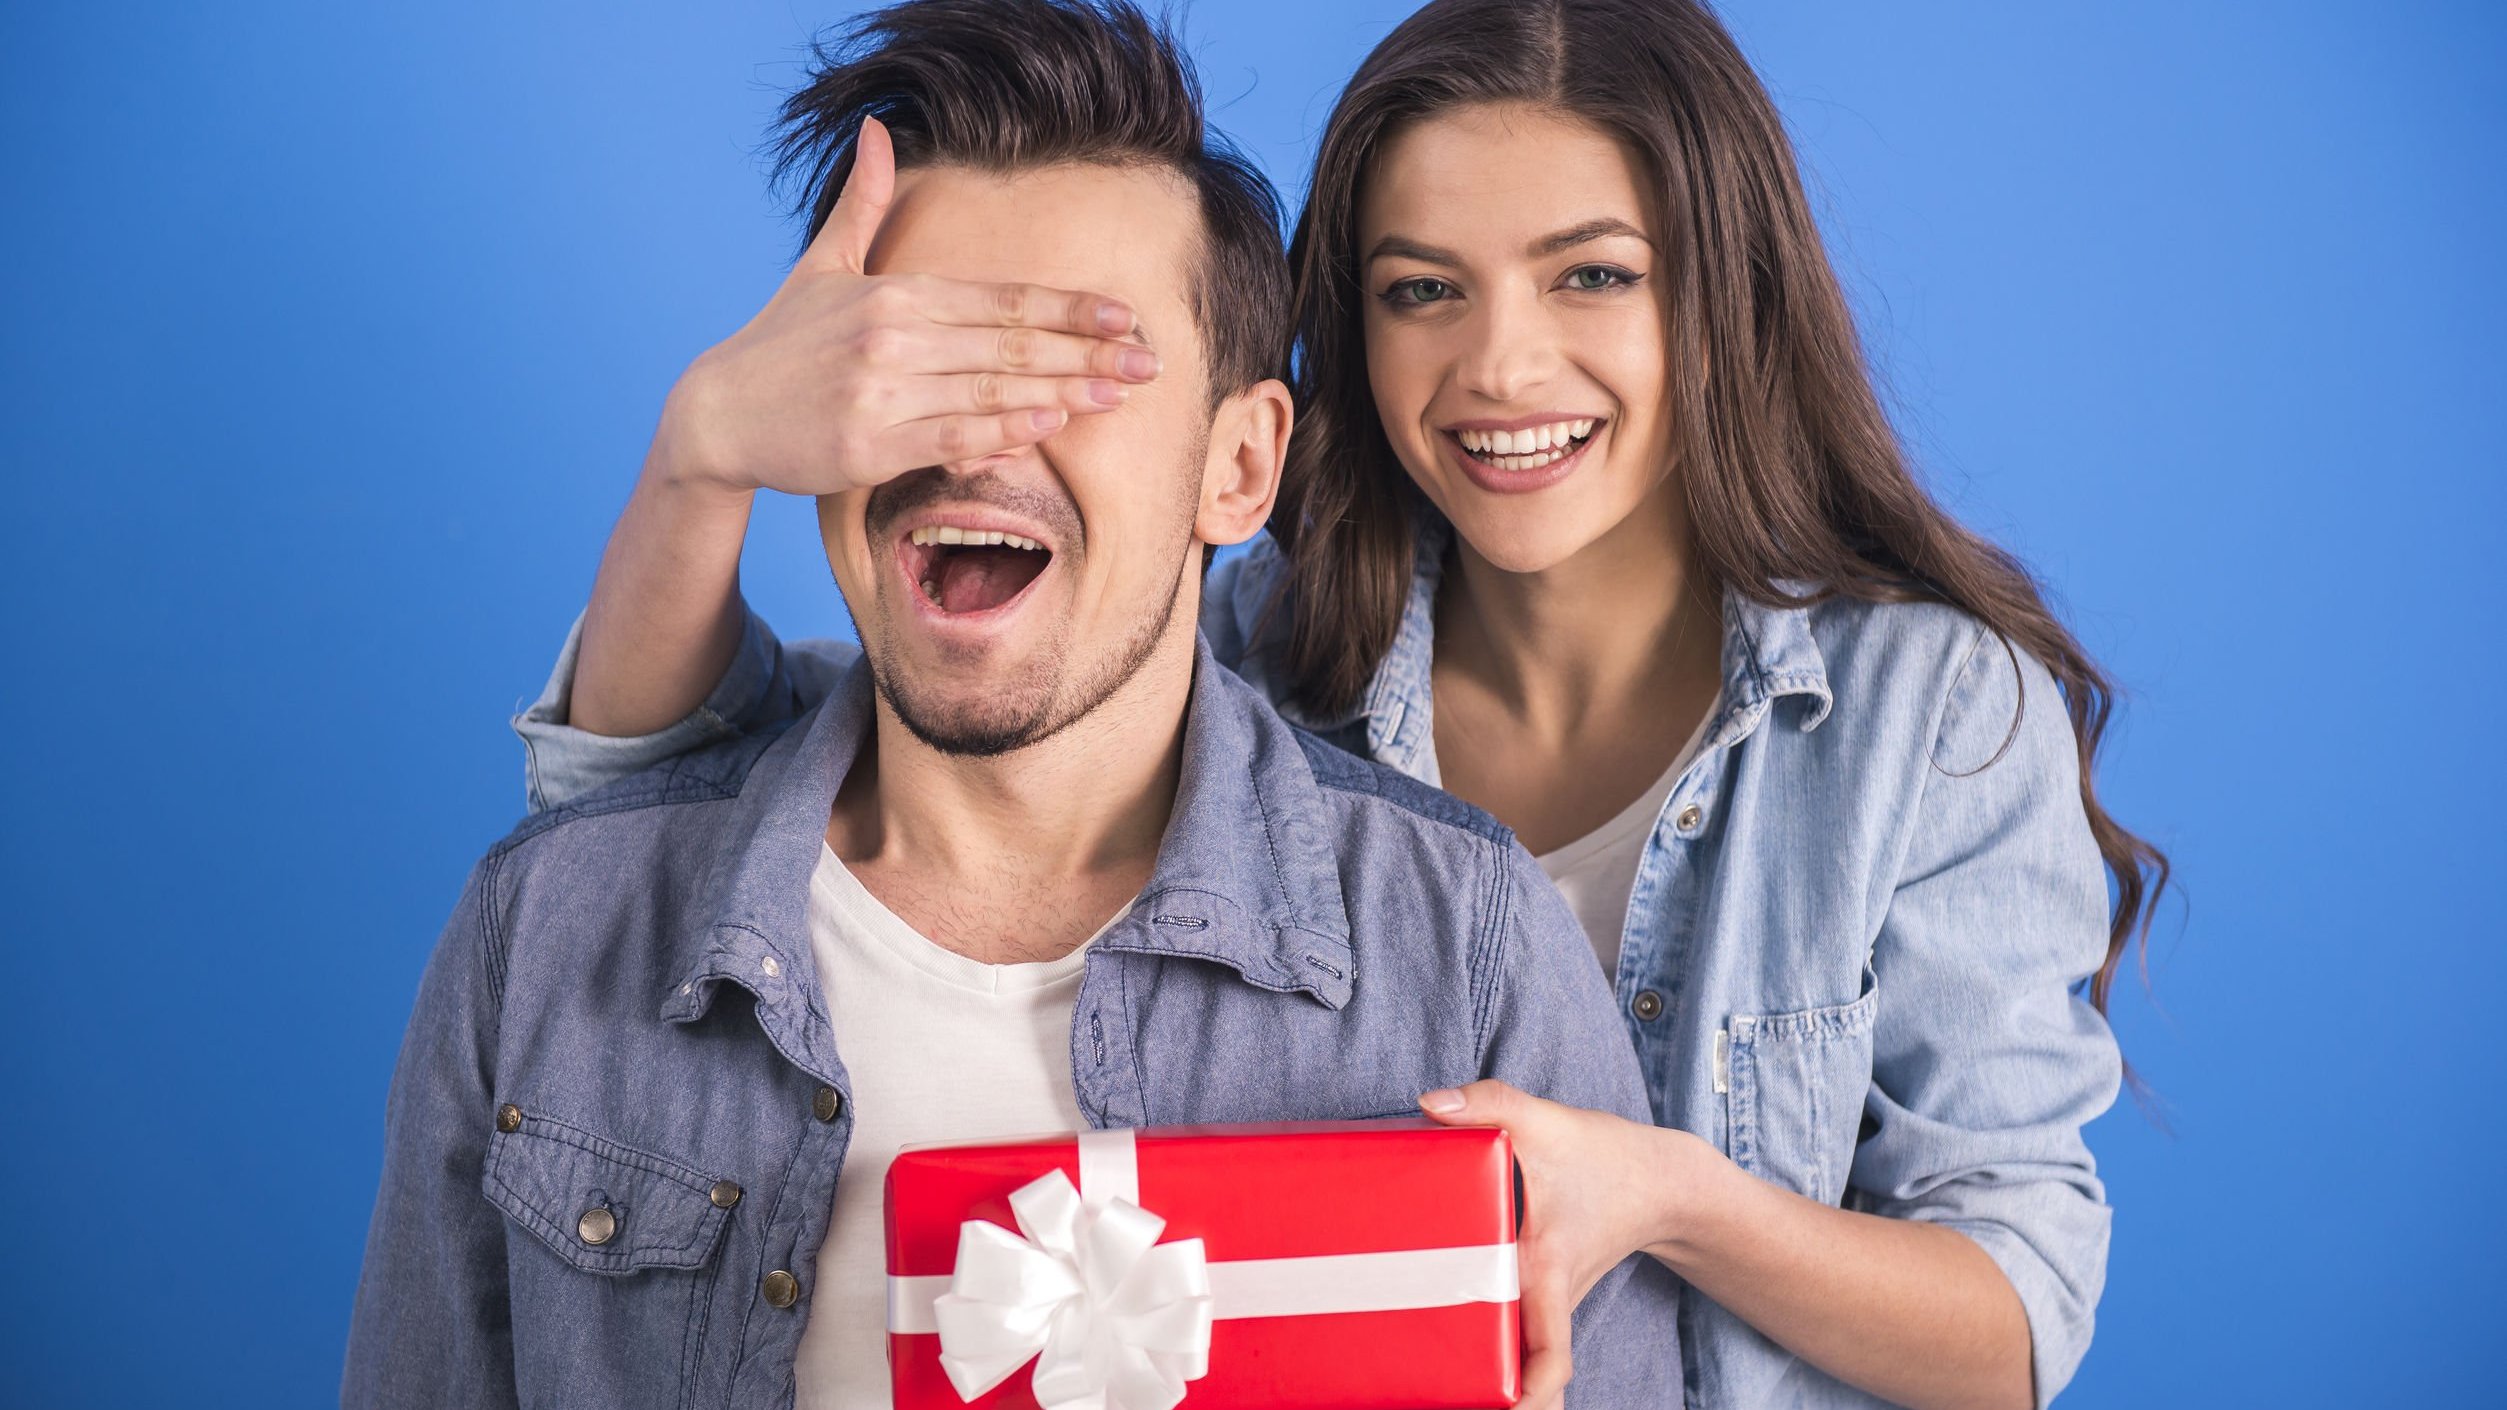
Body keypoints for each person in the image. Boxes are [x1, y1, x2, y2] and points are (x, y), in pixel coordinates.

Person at [517, 0, 2178, 1406]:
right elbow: (675, 786)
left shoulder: (1928, 714)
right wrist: (707, 448)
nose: (1501, 368)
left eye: (1591, 276)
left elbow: (2015, 1311)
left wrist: (1663, 1196)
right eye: (1420, 289)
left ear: (1715, 296)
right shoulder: (1247, 645)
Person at [342, 3, 1687, 1407]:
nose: (979, 433)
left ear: (1238, 467)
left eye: (1075, 366)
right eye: (913, 363)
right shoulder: (542, 933)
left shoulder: (1468, 952)